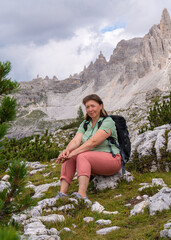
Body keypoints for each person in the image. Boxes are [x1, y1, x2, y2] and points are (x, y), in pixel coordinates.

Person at [56, 94, 121, 200]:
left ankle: (81, 196)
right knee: (70, 156)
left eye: (93, 106)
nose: (90, 109)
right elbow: (76, 140)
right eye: (87, 107)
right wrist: (67, 151)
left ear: (101, 106)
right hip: (94, 161)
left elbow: (93, 142)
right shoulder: (85, 124)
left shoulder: (108, 122)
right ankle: (62, 194)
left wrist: (74, 152)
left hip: (112, 159)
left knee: (81, 156)